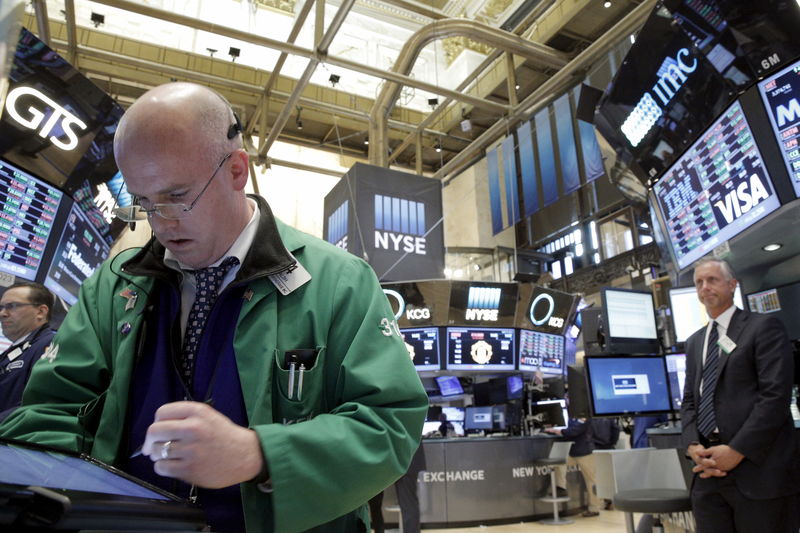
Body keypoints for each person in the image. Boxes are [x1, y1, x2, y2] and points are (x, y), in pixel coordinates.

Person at [0, 82, 428, 533]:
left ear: (237, 170)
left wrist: (261, 454)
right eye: (144, 204)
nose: (161, 225)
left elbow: (390, 422)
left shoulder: (339, 281)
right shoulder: (114, 284)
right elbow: (54, 406)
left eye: (177, 196)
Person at [680, 257, 799, 533]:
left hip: (758, 472)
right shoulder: (695, 341)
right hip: (707, 471)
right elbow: (689, 401)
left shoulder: (763, 327)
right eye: (699, 282)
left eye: (712, 280)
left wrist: (737, 450)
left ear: (732, 285)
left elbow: (774, 397)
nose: (705, 287)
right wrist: (691, 446)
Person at [0, 282, 56, 417]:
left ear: (41, 312)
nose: (2, 313)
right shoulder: (18, 349)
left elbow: (37, 404)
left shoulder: (49, 345)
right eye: (1, 307)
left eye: (12, 306)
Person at [547, 418, 601, 517]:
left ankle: (594, 508)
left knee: (591, 481)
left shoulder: (585, 415)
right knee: (559, 462)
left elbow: (576, 430)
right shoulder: (570, 416)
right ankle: (561, 488)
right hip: (571, 452)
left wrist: (560, 431)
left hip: (586, 453)